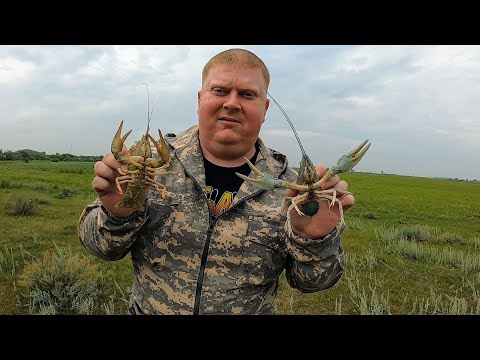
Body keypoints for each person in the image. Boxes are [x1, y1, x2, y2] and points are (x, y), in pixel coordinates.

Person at [78, 48, 354, 315]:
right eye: (220, 90)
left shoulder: (293, 192)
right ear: (200, 99)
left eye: (247, 94)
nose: (232, 103)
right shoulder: (153, 165)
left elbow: (314, 283)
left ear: (265, 108)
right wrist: (118, 214)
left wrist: (313, 240)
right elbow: (103, 249)